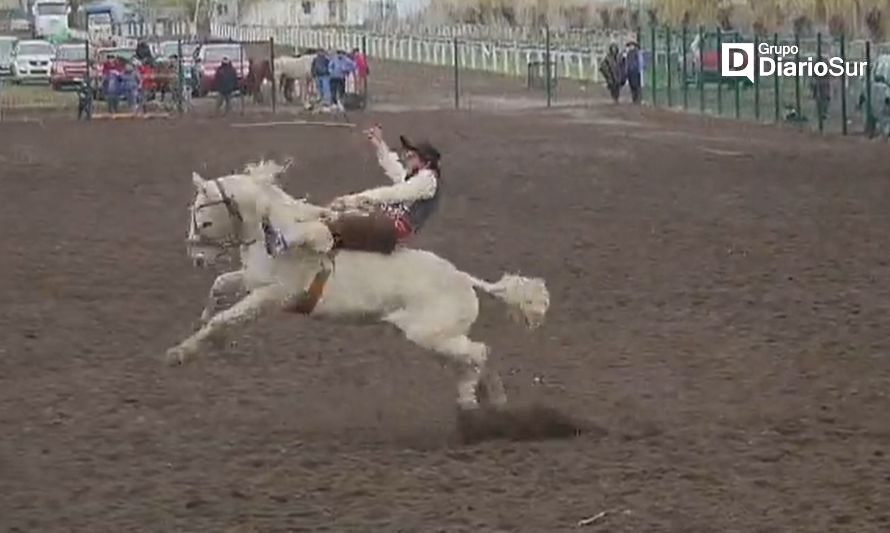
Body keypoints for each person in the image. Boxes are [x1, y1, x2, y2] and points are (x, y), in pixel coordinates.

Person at [263, 125, 442, 256]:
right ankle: (295, 234)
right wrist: (379, 145)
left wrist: (358, 199)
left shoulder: (427, 181)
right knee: (336, 209)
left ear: (425, 162)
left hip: (394, 227)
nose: (406, 157)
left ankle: (285, 242)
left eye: (411, 155)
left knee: (344, 219)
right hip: (388, 220)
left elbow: (394, 193)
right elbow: (396, 172)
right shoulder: (418, 178)